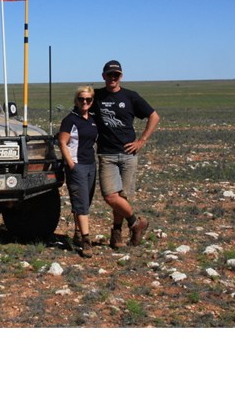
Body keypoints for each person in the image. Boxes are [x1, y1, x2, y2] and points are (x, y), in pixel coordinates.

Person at [93, 60, 160, 249]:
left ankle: (116, 234)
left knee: (122, 197)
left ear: (121, 76)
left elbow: (154, 116)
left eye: (116, 75)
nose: (112, 78)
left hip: (128, 154)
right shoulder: (96, 96)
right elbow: (80, 109)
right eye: (109, 75)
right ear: (103, 76)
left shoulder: (130, 96)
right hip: (107, 154)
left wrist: (142, 140)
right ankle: (136, 223)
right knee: (110, 196)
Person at [58, 86, 98, 258]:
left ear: (92, 101)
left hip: (90, 164)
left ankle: (76, 232)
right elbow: (62, 142)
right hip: (77, 166)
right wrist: (71, 164)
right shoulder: (70, 120)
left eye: (88, 99)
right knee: (82, 204)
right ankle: (86, 241)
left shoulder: (92, 119)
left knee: (84, 201)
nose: (85, 102)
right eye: (81, 99)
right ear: (76, 100)